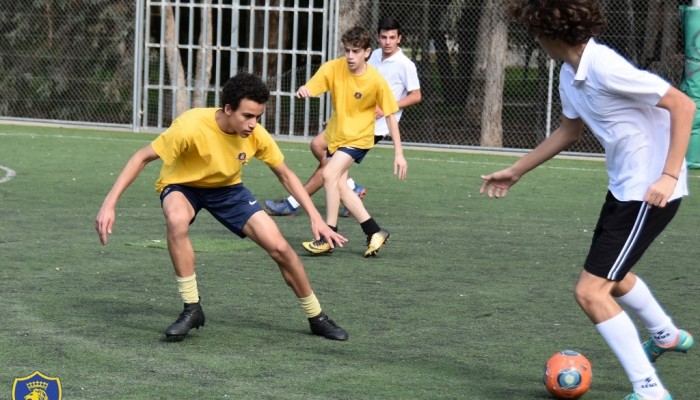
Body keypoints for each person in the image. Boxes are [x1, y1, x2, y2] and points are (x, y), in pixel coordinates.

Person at [481, 1, 696, 399]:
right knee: (610, 279)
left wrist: (667, 176)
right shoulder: (569, 74)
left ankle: (649, 390)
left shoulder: (604, 66)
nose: (534, 38)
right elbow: (570, 131)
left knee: (590, 291)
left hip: (648, 192)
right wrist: (517, 169)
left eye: (535, 30)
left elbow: (683, 105)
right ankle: (666, 335)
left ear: (550, 33)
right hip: (624, 187)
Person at [95, 73, 349, 342]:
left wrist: (315, 217)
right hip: (183, 186)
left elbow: (285, 174)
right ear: (228, 109)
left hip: (228, 189)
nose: (253, 124)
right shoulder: (191, 126)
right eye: (247, 116)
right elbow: (142, 157)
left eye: (258, 117)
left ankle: (317, 317)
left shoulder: (256, 135)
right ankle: (192, 308)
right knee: (177, 220)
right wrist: (109, 204)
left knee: (281, 248)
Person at [264, 17, 421, 218]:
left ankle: (293, 203)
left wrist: (386, 109)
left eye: (392, 37)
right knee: (317, 146)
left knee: (329, 169)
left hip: (373, 128)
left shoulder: (404, 64)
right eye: (383, 37)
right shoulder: (367, 57)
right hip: (347, 123)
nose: (387, 42)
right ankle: (351, 190)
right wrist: (308, 89)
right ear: (377, 39)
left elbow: (416, 95)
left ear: (399, 38)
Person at [294, 26, 407, 257]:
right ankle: (374, 231)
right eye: (347, 50)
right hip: (336, 137)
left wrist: (399, 153)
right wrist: (305, 90)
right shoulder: (334, 68)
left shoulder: (375, 80)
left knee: (328, 175)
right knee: (342, 188)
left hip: (359, 139)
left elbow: (390, 116)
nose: (350, 56)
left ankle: (329, 236)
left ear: (367, 52)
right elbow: (314, 85)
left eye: (356, 51)